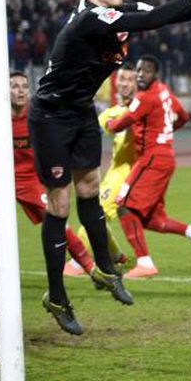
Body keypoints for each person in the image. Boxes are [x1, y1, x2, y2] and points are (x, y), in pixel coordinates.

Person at [28, 0, 191, 334]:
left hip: (79, 112)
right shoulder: (90, 19)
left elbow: (161, 15)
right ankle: (58, 296)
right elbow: (151, 20)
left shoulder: (116, 14)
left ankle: (109, 272)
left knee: (90, 189)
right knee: (59, 204)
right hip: (50, 116)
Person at [0, 73, 95, 301]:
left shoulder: (37, 114)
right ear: (6, 90)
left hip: (31, 181)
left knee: (60, 224)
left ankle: (91, 269)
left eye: (24, 87)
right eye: (14, 86)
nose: (20, 91)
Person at [105, 55, 191, 278]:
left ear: (155, 74)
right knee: (150, 219)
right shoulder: (164, 91)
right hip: (165, 158)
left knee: (123, 204)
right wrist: (165, 131)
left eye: (147, 70)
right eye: (139, 70)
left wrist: (109, 123)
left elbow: (120, 125)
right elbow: (182, 116)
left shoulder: (144, 98)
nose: (142, 74)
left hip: (152, 159)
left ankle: (144, 263)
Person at [65, 64, 139, 276]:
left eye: (129, 80)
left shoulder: (143, 109)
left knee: (95, 213)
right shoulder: (113, 113)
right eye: (121, 80)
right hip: (115, 172)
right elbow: (92, 131)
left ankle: (80, 262)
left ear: (137, 83)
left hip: (131, 173)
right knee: (96, 213)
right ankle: (115, 255)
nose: (124, 84)